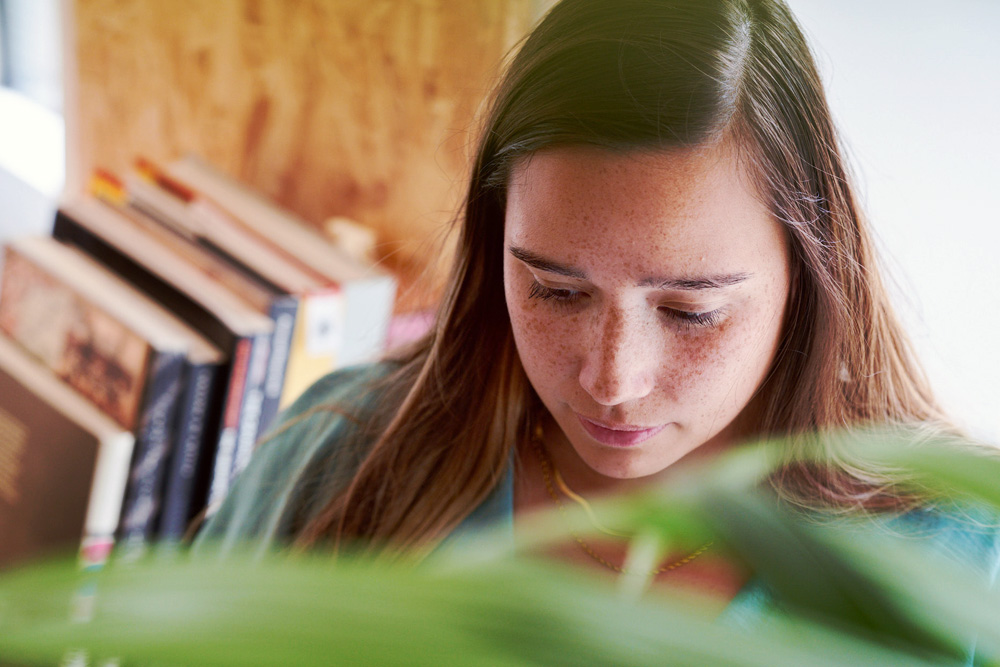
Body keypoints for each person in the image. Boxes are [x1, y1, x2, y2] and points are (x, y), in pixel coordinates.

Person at [196, 0, 997, 609]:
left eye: (691, 311)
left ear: (812, 275)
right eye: (555, 290)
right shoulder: (340, 457)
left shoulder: (962, 566)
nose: (612, 379)